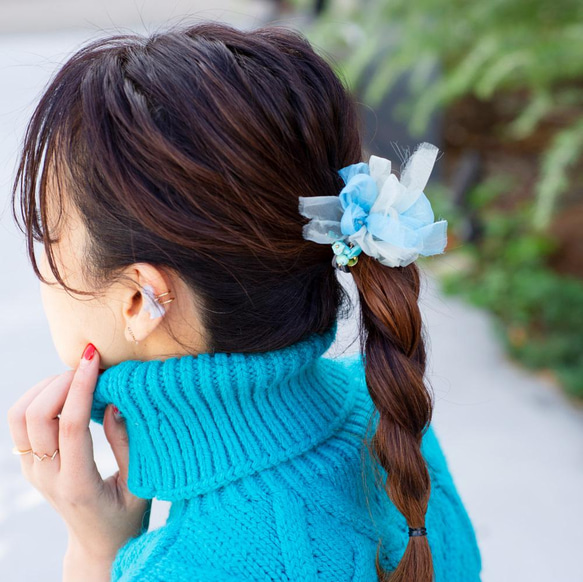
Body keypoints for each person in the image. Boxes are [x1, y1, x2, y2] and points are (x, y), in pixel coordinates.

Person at [7, 21, 482, 582]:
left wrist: (95, 554)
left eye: (47, 234)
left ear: (140, 299)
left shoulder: (185, 567)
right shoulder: (391, 412)